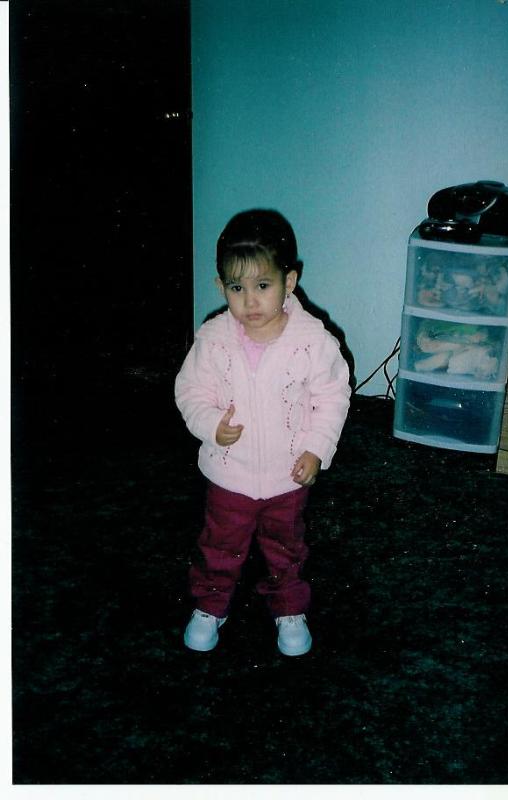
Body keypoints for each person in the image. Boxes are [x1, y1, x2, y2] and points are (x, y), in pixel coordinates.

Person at [175, 209, 351, 656]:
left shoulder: (313, 341)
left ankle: (288, 606)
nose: (250, 302)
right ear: (221, 287)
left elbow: (332, 397)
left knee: (285, 545)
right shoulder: (213, 339)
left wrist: (316, 448)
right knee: (220, 543)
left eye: (263, 286)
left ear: (289, 282)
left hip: (286, 474)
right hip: (229, 472)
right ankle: (211, 604)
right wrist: (210, 424)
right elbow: (190, 390)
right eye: (237, 288)